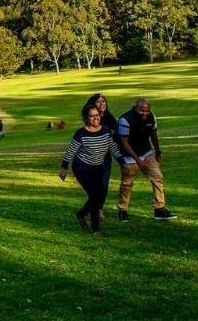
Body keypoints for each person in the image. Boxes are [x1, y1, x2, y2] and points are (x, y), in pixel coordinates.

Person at [60, 103, 124, 238]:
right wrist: (64, 168)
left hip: (98, 167)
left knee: (98, 195)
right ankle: (96, 230)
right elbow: (70, 152)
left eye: (97, 115)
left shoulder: (105, 130)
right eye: (92, 116)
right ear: (86, 118)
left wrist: (122, 162)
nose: (96, 118)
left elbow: (112, 148)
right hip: (82, 168)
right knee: (95, 197)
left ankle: (81, 214)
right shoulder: (81, 133)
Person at [116, 98, 177, 221]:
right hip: (129, 156)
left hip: (146, 152)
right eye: (141, 110)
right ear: (135, 108)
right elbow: (124, 142)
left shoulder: (151, 117)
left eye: (147, 110)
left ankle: (159, 209)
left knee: (157, 177)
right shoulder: (125, 119)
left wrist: (158, 150)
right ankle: (123, 210)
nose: (144, 113)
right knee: (127, 184)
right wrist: (138, 160)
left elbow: (153, 134)